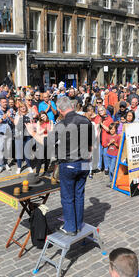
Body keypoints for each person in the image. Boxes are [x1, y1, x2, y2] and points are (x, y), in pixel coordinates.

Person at [51, 96, 93, 236]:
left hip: (69, 164)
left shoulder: (62, 124)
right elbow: (91, 143)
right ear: (72, 106)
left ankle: (70, 227)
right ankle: (78, 224)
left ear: (59, 110)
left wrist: (33, 132)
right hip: (85, 162)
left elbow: (47, 143)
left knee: (68, 197)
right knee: (79, 194)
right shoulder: (86, 120)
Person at [0, 97, 14, 173]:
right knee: (1, 149)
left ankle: (6, 163)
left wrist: (10, 116)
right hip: (0, 132)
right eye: (3, 102)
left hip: (8, 131)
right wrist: (3, 118)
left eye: (6, 102)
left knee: (7, 148)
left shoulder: (10, 110)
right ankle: (0, 165)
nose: (5, 103)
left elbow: (13, 121)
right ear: (0, 103)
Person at [14, 103, 34, 174]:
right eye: (21, 107)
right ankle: (19, 167)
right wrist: (21, 116)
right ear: (19, 108)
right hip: (19, 136)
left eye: (24, 107)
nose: (23, 108)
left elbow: (31, 123)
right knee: (19, 152)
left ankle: (29, 166)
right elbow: (15, 124)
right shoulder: (17, 115)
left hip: (27, 135)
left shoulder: (30, 114)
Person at [102, 123, 121, 187]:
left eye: (113, 129)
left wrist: (115, 143)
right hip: (108, 154)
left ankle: (115, 181)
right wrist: (110, 143)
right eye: (110, 129)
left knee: (112, 169)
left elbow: (119, 146)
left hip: (114, 156)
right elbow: (104, 145)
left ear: (115, 129)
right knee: (110, 168)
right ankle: (111, 181)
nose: (112, 130)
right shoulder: (108, 136)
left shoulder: (118, 137)